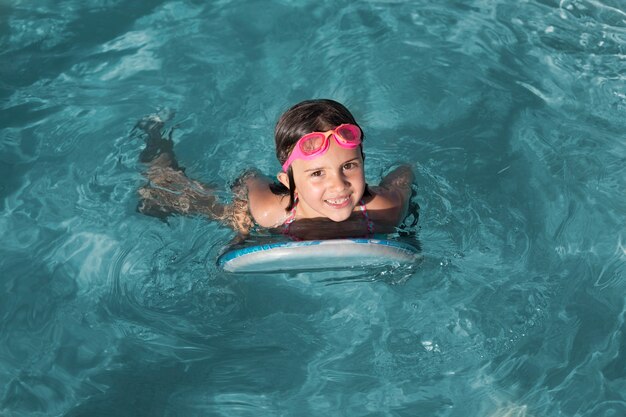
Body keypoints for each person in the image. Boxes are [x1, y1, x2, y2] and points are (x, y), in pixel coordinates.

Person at [134, 99, 416, 241]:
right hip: (262, 196)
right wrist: (243, 237)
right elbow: (252, 181)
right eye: (318, 173)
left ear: (363, 163)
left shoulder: (385, 208)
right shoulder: (270, 212)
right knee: (169, 190)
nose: (339, 185)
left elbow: (404, 174)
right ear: (289, 181)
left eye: (349, 166)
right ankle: (155, 140)